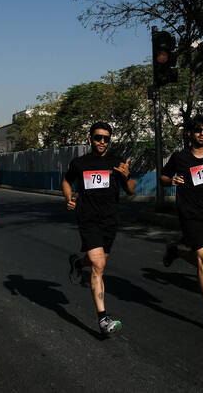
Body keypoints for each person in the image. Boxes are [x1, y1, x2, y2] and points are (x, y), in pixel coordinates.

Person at [62, 122, 135, 335]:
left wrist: (127, 175)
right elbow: (66, 182)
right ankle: (103, 318)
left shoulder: (116, 163)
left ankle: (77, 262)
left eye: (106, 138)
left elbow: (131, 191)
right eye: (98, 137)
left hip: (110, 221)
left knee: (98, 262)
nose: (102, 141)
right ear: (90, 138)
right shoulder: (79, 163)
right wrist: (69, 197)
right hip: (88, 219)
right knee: (98, 264)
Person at [160, 115, 203, 334]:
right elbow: (163, 176)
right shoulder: (180, 158)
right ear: (190, 133)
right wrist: (171, 181)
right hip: (189, 214)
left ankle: (177, 252)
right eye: (199, 130)